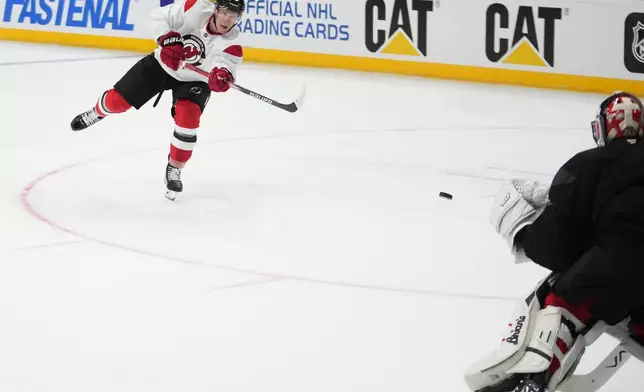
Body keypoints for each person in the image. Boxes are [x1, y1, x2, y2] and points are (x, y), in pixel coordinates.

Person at [463, 91, 644, 392]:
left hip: (617, 264)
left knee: (560, 299)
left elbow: (558, 245)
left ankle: (535, 380)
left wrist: (526, 235)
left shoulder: (590, 163)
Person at [70, 0, 245, 201]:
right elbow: (157, 17)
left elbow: (227, 66)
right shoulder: (194, 7)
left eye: (234, 16)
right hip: (160, 66)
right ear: (216, 10)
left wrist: (222, 76)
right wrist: (167, 39)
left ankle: (174, 169)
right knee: (117, 101)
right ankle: (97, 113)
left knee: (188, 118)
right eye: (225, 13)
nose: (227, 20)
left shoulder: (232, 43)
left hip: (194, 80)